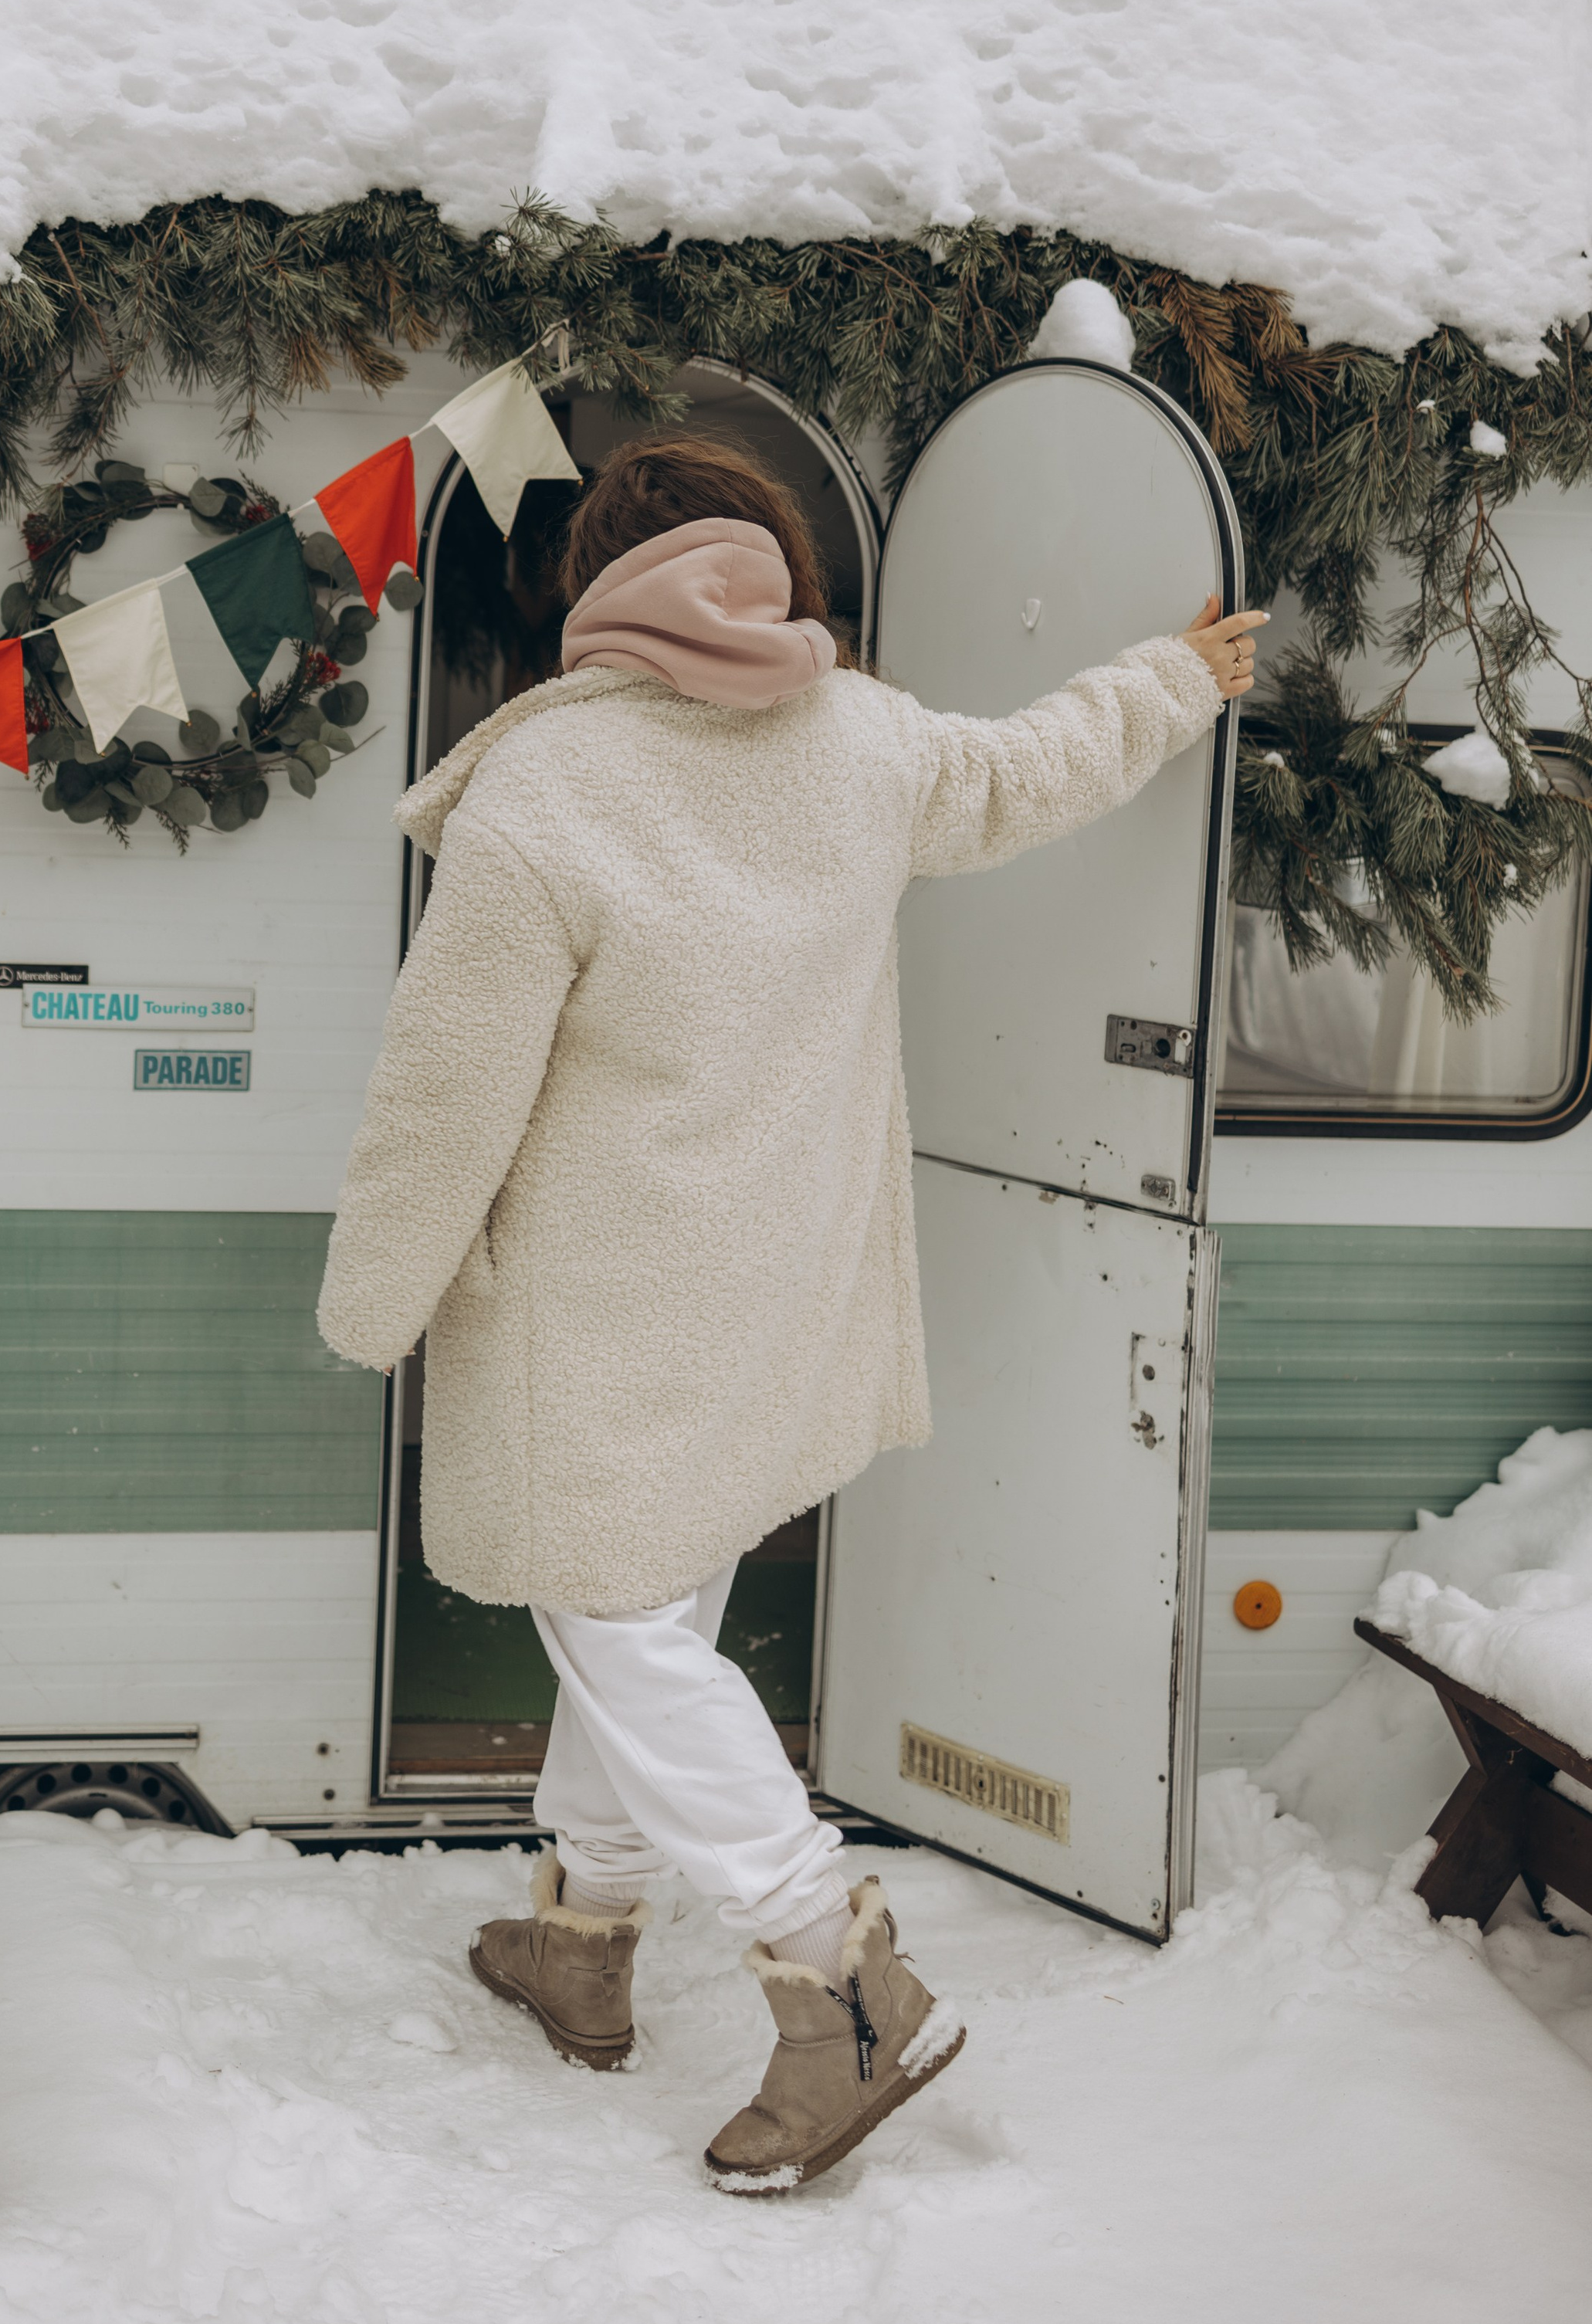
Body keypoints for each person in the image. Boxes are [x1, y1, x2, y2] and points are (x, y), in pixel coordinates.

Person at [318, 430, 1263, 2193]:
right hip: (776, 1283)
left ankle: (842, 1985)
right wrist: (1169, 678)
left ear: (595, 588)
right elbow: (1034, 767)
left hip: (599, 1310)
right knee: (652, 1607)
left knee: (618, 1623)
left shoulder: (547, 788)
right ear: (770, 571)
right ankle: (583, 1943)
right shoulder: (865, 741)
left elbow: (443, 1096)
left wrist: (373, 1299)